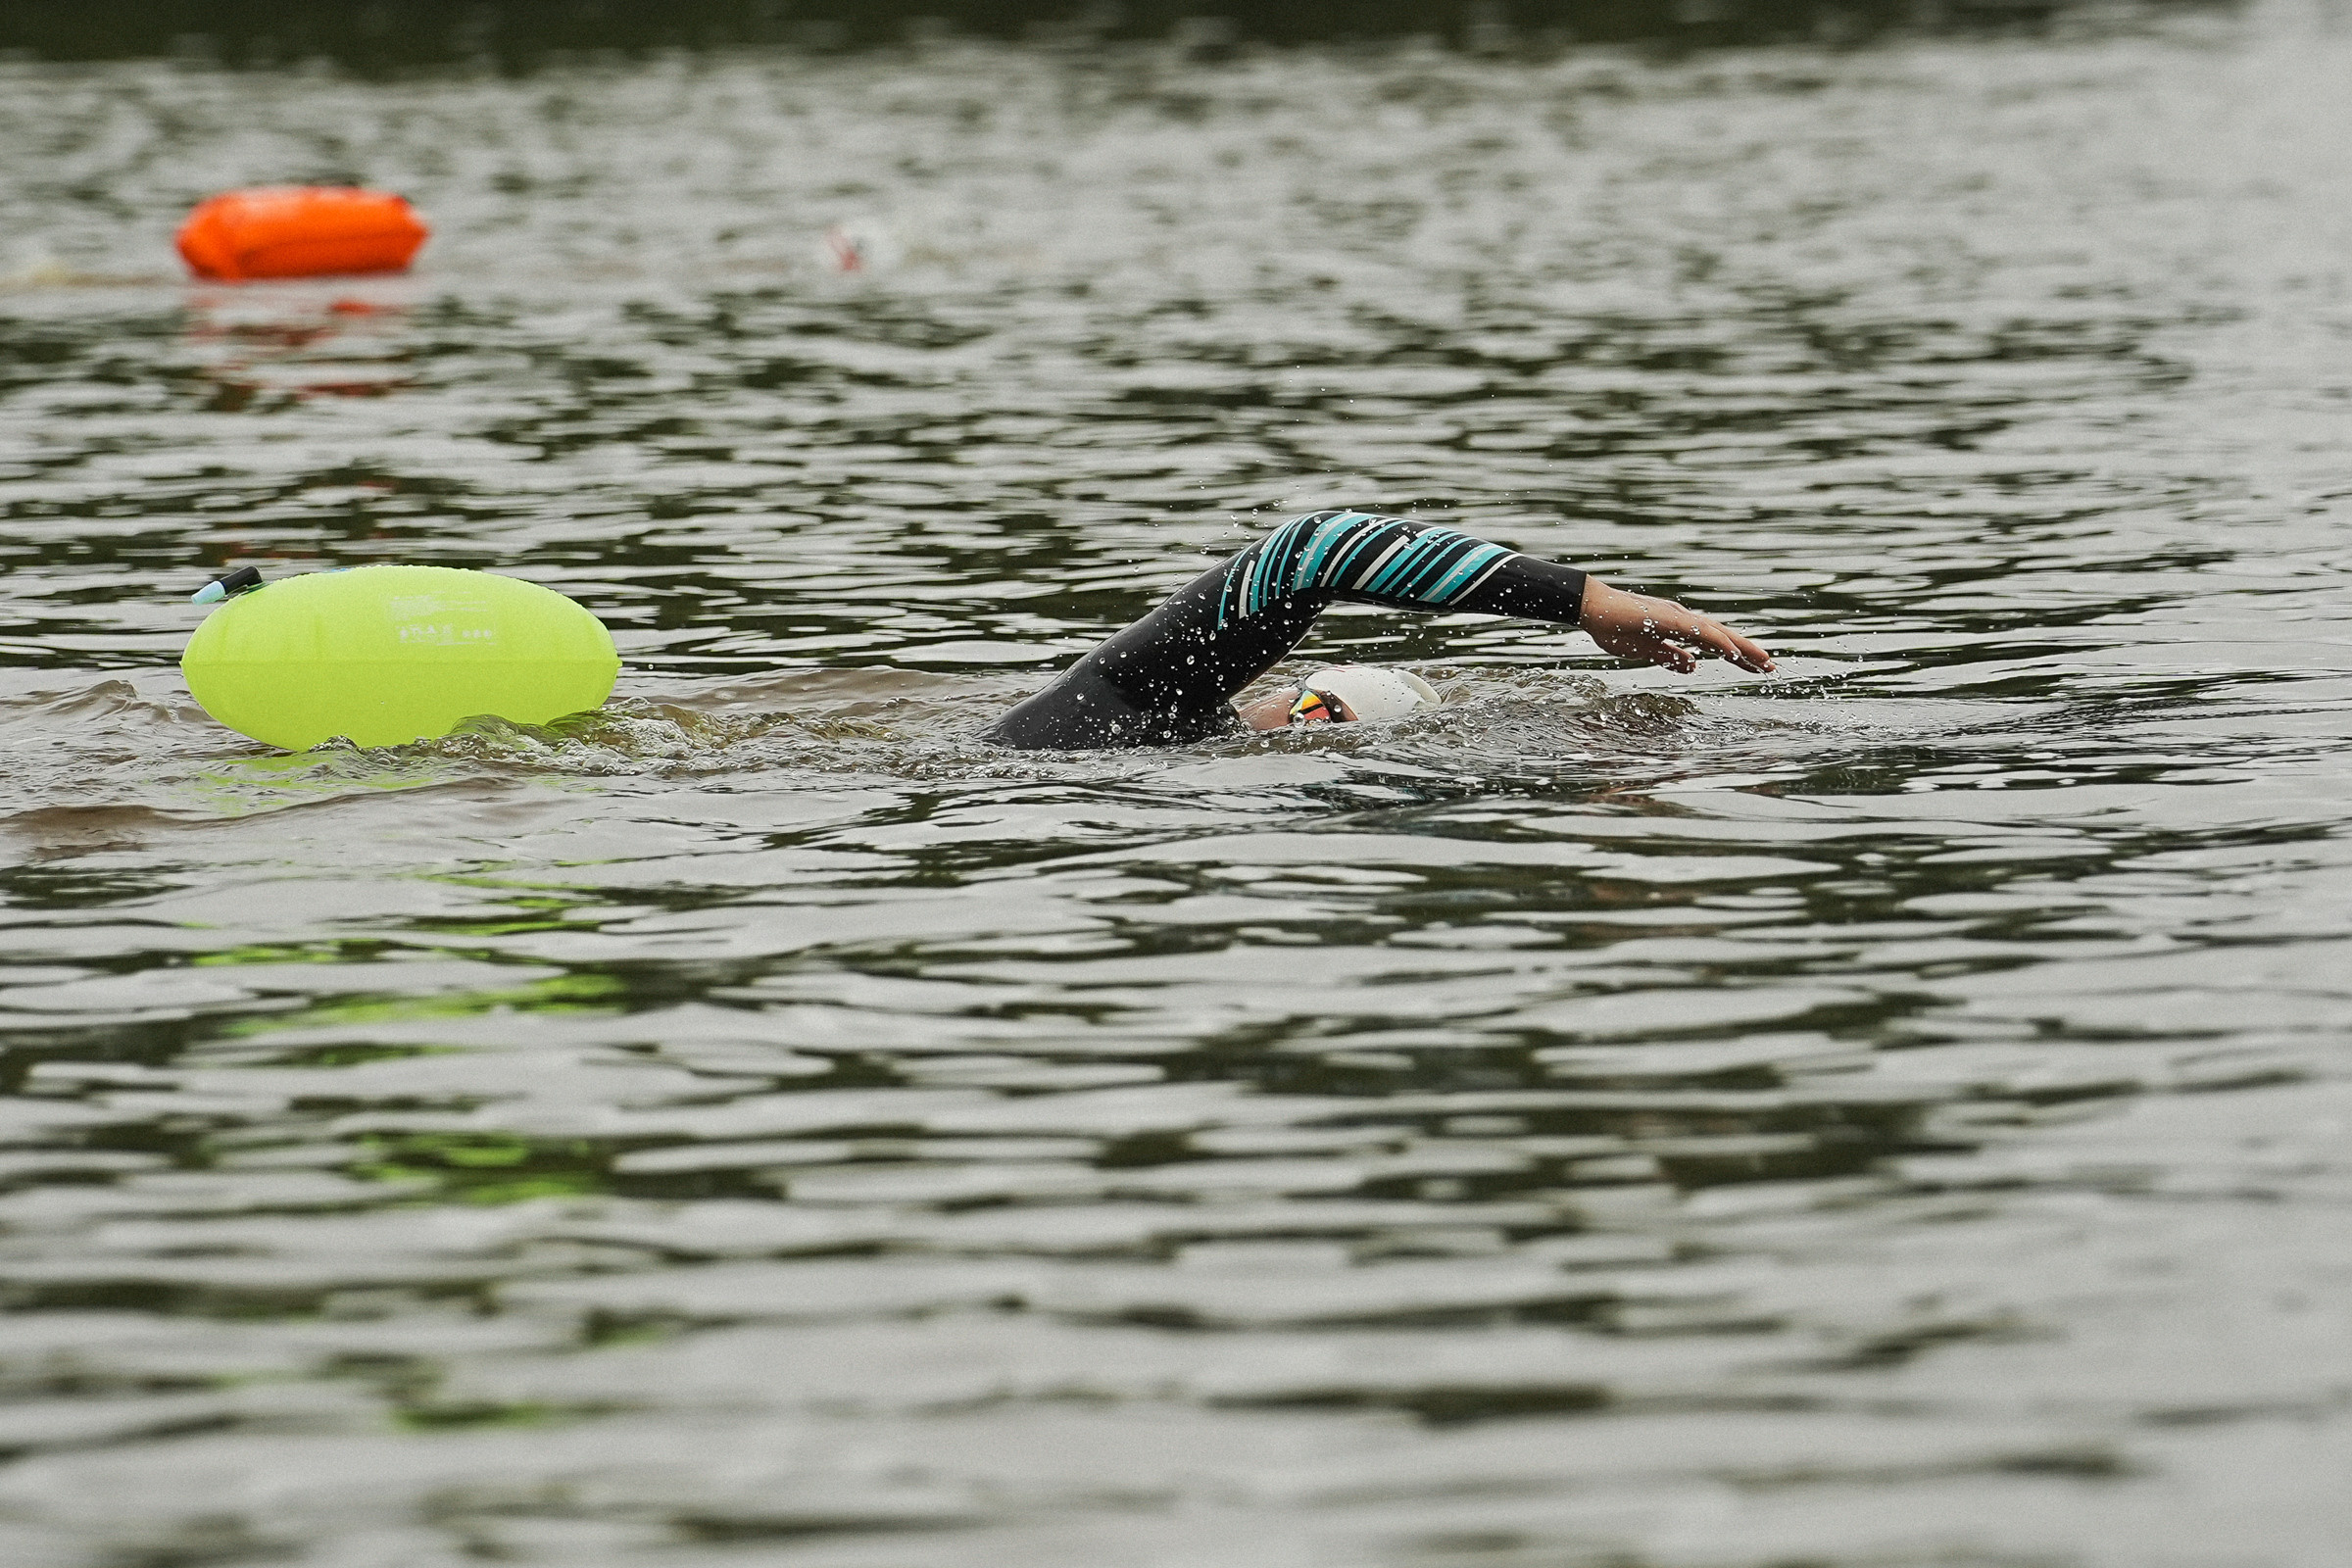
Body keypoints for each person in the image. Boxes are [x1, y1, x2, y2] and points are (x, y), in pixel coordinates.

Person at [983, 509, 1773, 751]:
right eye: (1318, 710)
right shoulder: (1139, 706)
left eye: (1327, 726)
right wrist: (1588, 602)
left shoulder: (1143, 732)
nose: (1303, 727)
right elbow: (1317, 549)